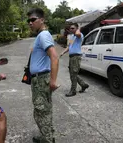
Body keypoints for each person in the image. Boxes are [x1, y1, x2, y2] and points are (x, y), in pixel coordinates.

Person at [27, 8, 59, 143]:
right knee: (43, 111)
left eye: (33, 20)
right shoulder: (40, 36)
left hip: (41, 79)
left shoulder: (43, 35)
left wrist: (53, 81)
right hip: (38, 79)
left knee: (41, 112)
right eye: (28, 20)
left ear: (42, 20)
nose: (30, 23)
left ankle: (48, 139)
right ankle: (47, 135)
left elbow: (55, 57)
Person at [60, 23, 89, 97]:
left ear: (77, 29)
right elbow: (69, 47)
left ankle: (73, 91)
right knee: (73, 73)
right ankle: (83, 85)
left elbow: (78, 34)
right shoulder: (71, 37)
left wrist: (78, 29)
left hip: (76, 56)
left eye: (73, 28)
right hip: (72, 57)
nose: (71, 29)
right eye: (70, 28)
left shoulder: (79, 35)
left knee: (73, 74)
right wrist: (62, 52)